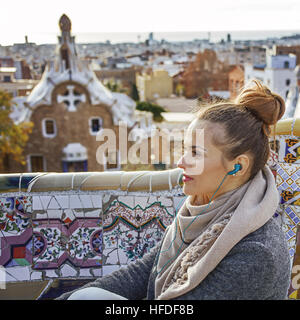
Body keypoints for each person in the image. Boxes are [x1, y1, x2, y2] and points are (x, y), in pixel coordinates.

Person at [56, 80, 291, 300]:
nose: (181, 162)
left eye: (196, 153)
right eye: (185, 150)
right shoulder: (202, 212)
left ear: (237, 166)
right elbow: (144, 270)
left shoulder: (255, 253)